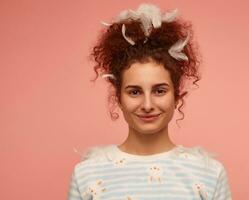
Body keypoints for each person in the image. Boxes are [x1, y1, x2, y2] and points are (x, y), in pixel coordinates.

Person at [68, 4, 232, 200]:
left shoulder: (210, 175)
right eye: (135, 92)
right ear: (119, 98)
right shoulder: (86, 175)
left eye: (159, 91)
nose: (147, 105)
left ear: (176, 96)